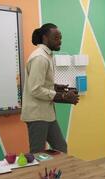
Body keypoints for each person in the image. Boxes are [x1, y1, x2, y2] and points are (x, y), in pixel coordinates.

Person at [21, 23, 79, 154]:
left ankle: (55, 174)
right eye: (56, 38)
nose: (60, 41)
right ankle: (39, 175)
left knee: (60, 148)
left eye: (60, 38)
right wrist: (63, 96)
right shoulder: (40, 58)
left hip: (47, 114)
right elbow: (35, 89)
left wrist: (55, 87)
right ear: (45, 38)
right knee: (37, 153)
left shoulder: (46, 55)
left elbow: (41, 84)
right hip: (37, 115)